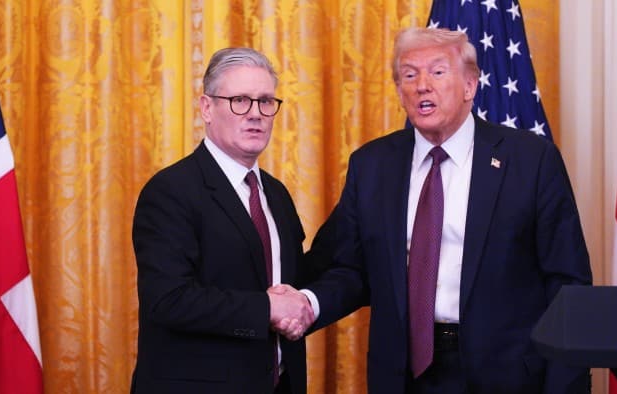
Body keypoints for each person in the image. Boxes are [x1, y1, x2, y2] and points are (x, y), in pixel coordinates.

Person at [286, 27, 593, 393]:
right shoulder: (372, 165)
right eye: (409, 75)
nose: (422, 85)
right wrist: (304, 303)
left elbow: (567, 284)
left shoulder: (531, 160)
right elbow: (348, 267)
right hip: (403, 377)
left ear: (469, 85)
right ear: (399, 90)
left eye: (437, 71)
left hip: (507, 375)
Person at [130, 47, 315, 394]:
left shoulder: (276, 194)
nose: (255, 114)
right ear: (206, 108)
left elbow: (291, 283)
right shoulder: (170, 191)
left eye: (265, 102)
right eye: (240, 100)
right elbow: (168, 299)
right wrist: (268, 308)